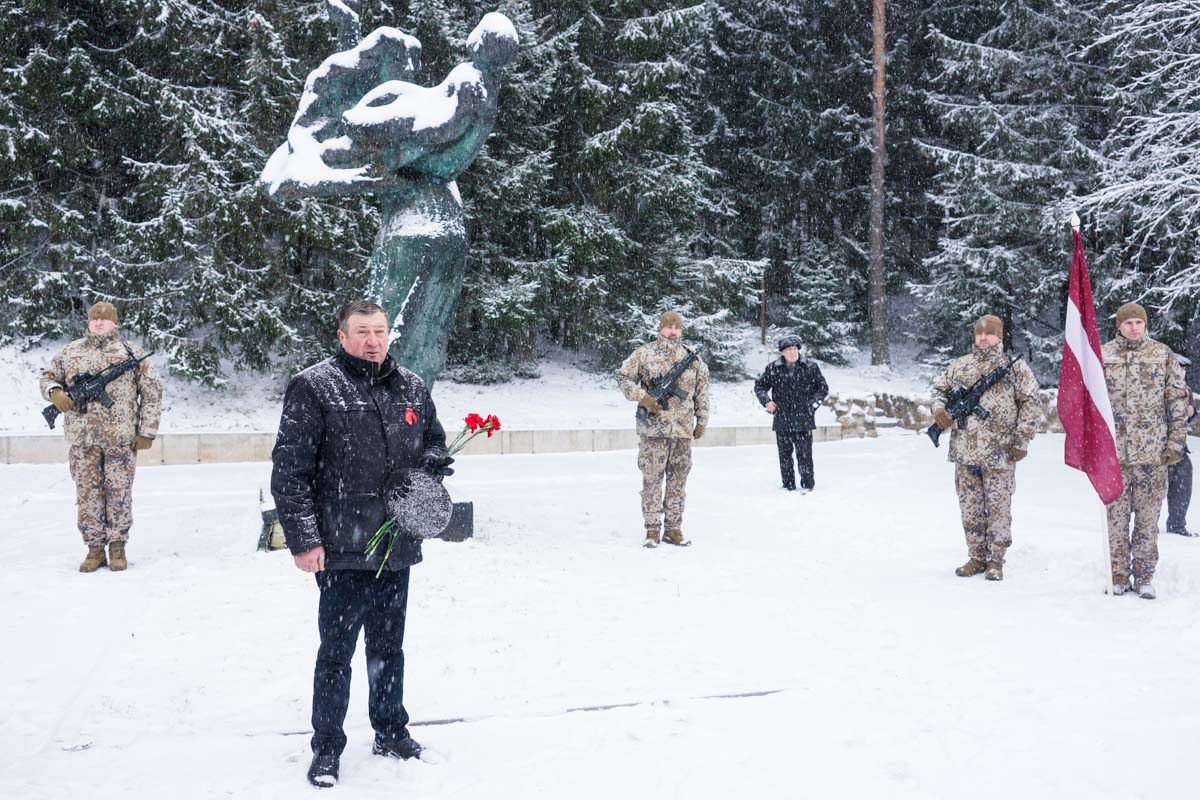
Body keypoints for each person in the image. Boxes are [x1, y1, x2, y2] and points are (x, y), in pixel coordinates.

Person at [270, 299, 451, 788]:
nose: (373, 340)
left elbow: (434, 439)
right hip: (343, 546)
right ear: (342, 336)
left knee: (389, 648)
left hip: (396, 543)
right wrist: (304, 541)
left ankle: (390, 730)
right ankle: (327, 746)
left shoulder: (410, 385)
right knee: (337, 652)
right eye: (362, 331)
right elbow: (290, 472)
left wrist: (434, 463)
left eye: (380, 330)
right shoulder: (314, 387)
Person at [39, 302, 161, 572]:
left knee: (119, 492)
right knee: (87, 494)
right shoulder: (70, 352)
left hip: (121, 439)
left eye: (105, 319)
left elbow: (151, 393)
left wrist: (147, 432)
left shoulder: (131, 352)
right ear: (88, 321)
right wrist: (55, 392)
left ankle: (118, 546)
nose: (99, 322)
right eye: (95, 318)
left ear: (115, 323)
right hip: (83, 440)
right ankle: (94, 549)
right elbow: (47, 377)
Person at [931, 314, 1039, 582]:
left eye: (989, 333)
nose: (983, 338)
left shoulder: (1014, 368)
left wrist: (1022, 440)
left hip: (1001, 452)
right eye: (979, 333)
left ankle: (995, 561)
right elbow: (938, 391)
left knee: (999, 508)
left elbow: (1031, 403)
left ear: (999, 336)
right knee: (970, 507)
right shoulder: (959, 366)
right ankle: (976, 557)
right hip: (965, 451)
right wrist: (939, 411)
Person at [1101, 303, 1189, 598]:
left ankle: (1144, 576)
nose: (1134, 327)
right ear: (1119, 326)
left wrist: (1176, 444)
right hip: (1115, 455)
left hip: (1153, 453)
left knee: (1148, 519)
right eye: (1129, 323)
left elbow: (1177, 401)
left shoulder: (1161, 354)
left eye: (1139, 322)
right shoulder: (1103, 355)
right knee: (1116, 518)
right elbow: (1090, 403)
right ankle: (1117, 573)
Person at [617, 311, 710, 548]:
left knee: (678, 482)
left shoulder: (693, 359)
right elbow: (623, 378)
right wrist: (644, 397)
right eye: (668, 327)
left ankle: (673, 529)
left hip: (681, 431)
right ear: (660, 329)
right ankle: (652, 530)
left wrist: (702, 421)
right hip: (653, 431)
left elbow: (702, 392)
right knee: (652, 481)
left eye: (677, 327)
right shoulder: (644, 353)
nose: (673, 331)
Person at [754, 334, 829, 492]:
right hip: (782, 419)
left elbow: (823, 389)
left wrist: (812, 406)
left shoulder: (810, 367)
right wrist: (766, 401)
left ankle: (808, 485)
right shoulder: (773, 368)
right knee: (785, 457)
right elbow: (760, 386)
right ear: (782, 352)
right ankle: (788, 485)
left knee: (805, 456)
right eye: (789, 349)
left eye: (795, 349)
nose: (793, 352)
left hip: (804, 420)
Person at [1166, 353, 1196, 537]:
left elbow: (1191, 418)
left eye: (1184, 369)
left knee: (1182, 486)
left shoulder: (1186, 391)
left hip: (1180, 449)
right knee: (1151, 491)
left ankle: (1177, 525)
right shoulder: (1157, 387)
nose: (1182, 372)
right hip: (1157, 447)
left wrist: (1192, 413)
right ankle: (1145, 527)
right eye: (1179, 368)